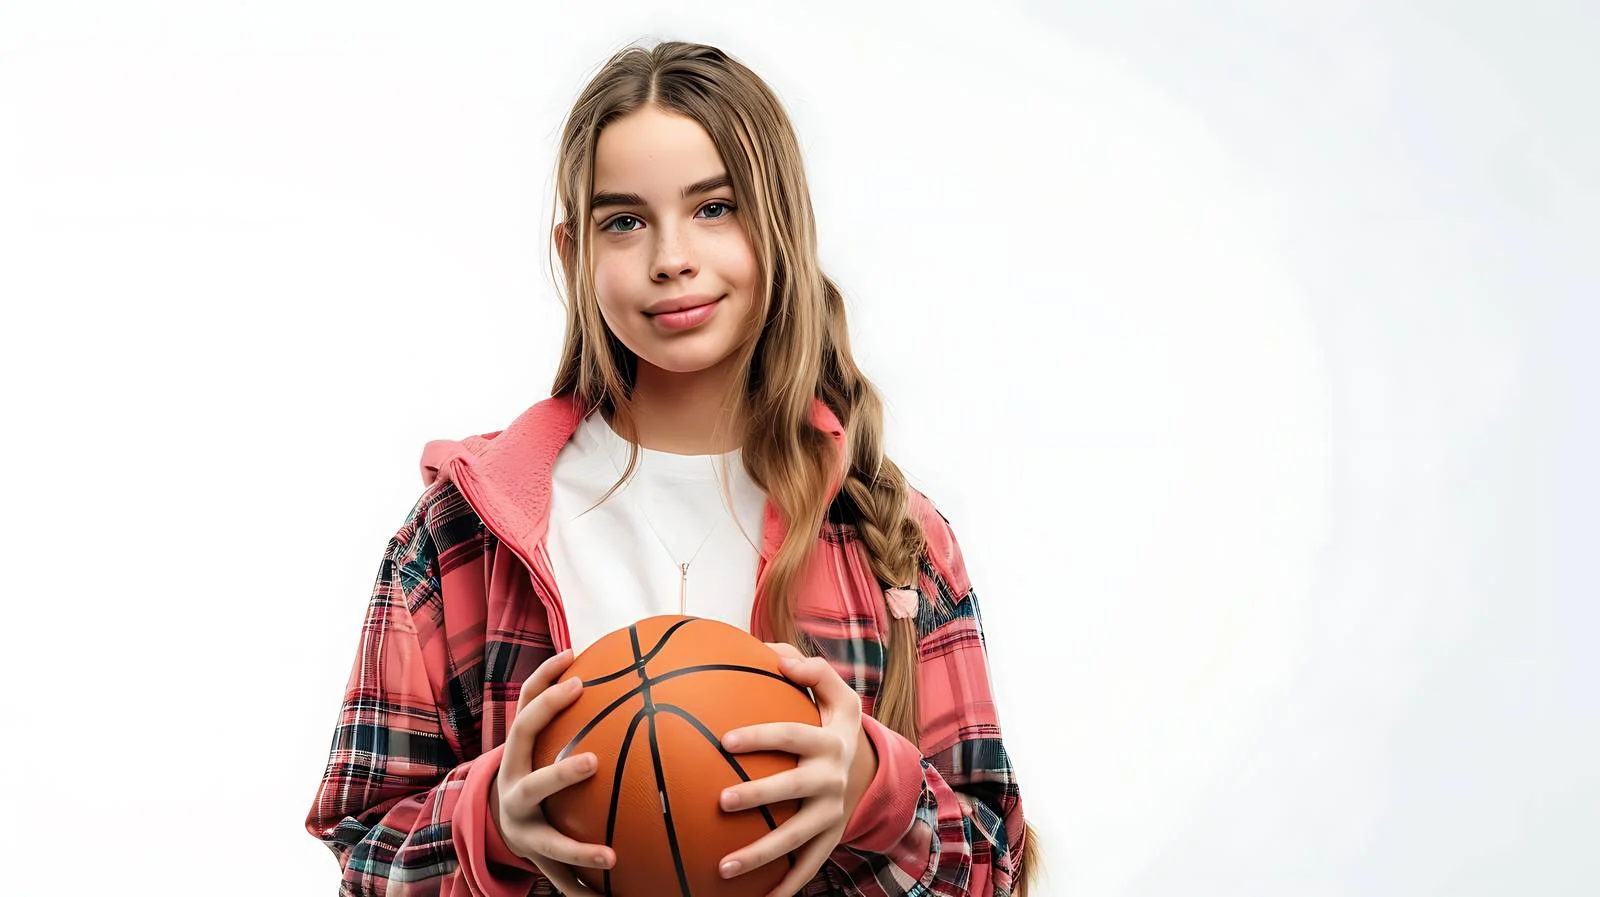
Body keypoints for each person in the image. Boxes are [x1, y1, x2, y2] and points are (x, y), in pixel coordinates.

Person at [304, 39, 1037, 897]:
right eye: (625, 220)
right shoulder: (459, 535)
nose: (670, 257)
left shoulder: (896, 541)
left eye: (714, 207)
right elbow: (364, 856)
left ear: (781, 224)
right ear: (575, 250)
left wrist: (875, 794)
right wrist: (489, 822)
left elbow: (995, 867)